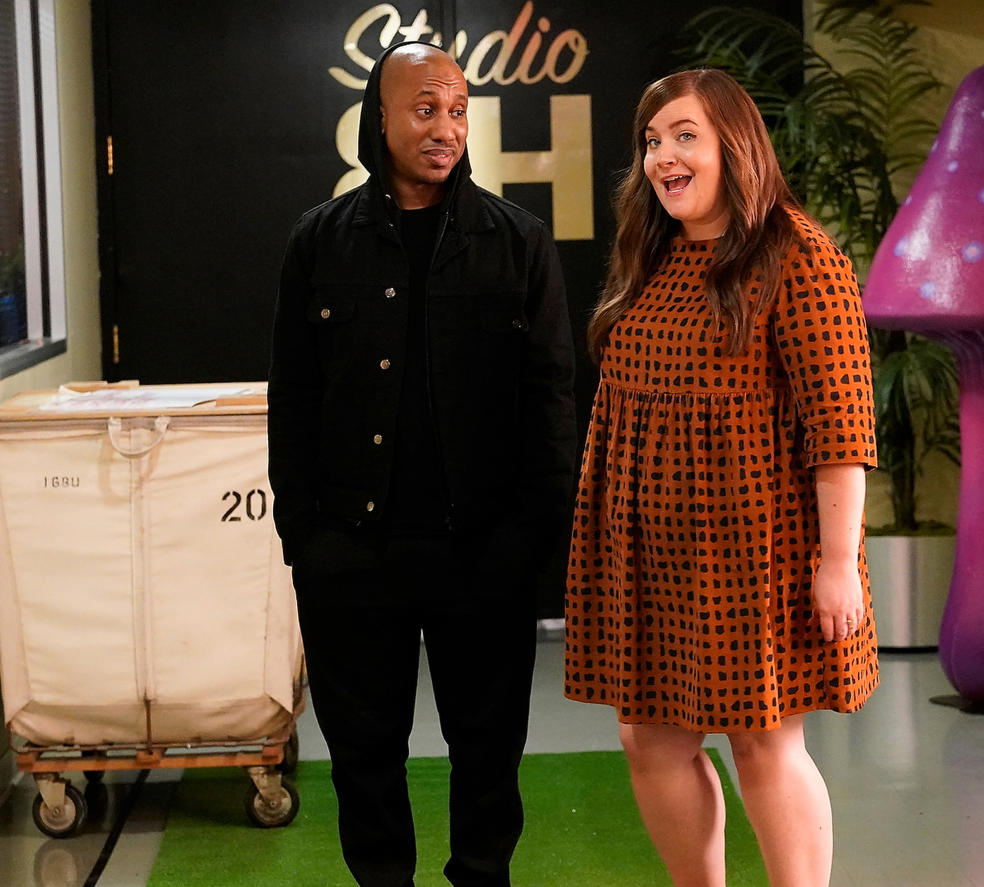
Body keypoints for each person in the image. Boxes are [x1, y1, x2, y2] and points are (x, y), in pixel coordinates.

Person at [268, 41, 577, 887]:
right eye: (424, 108)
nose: (445, 126)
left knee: (489, 754)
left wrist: (532, 539)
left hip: (484, 553)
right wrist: (305, 536)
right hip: (351, 552)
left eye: (457, 109)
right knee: (364, 757)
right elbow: (292, 399)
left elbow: (551, 401)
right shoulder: (319, 243)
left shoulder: (517, 243)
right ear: (380, 118)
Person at [564, 67, 879, 887]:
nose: (662, 156)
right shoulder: (654, 253)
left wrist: (838, 560)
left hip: (754, 548)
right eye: (652, 140)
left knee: (763, 740)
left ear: (734, 145)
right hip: (651, 552)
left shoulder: (799, 257)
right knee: (650, 736)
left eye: (684, 136)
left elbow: (840, 423)